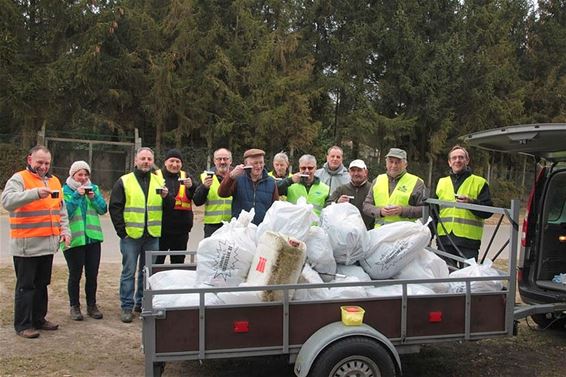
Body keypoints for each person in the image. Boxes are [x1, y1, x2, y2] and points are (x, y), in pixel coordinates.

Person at [1, 145, 71, 338]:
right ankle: (23, 325)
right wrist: (34, 193)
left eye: (47, 163)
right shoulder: (19, 179)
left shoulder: (55, 181)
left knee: (42, 284)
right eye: (40, 162)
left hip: (47, 245)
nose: (43, 166)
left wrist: (65, 231)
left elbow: (61, 210)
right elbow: (7, 201)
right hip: (26, 246)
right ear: (29, 159)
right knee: (26, 286)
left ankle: (39, 319)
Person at [109, 147, 172, 323]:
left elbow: (168, 207)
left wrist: (167, 197)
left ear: (152, 162)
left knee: (147, 272)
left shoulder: (159, 181)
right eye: (143, 158)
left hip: (152, 235)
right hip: (131, 236)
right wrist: (122, 231)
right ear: (136, 161)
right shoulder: (124, 181)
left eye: (149, 159)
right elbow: (115, 207)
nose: (146, 162)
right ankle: (127, 307)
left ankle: (142, 303)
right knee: (128, 272)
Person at [62, 161, 107, 321]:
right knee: (75, 275)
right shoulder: (65, 190)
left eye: (86, 174)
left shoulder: (93, 189)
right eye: (79, 174)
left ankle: (92, 305)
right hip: (74, 240)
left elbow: (103, 209)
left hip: (93, 239)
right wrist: (77, 196)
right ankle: (74, 306)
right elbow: (65, 211)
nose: (83, 178)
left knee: (92, 275)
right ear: (72, 175)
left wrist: (93, 198)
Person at [434, 145, 493, 265]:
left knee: (466, 281)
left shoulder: (479, 182)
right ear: (449, 162)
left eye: (461, 157)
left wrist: (471, 202)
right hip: (444, 240)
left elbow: (488, 211)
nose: (457, 160)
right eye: (454, 158)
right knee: (445, 279)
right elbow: (434, 212)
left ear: (467, 160)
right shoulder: (441, 182)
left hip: (468, 242)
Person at [363, 148, 426, 227]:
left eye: (398, 162)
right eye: (391, 161)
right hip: (380, 234)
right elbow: (366, 206)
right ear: (386, 163)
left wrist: (402, 210)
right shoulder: (377, 180)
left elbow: (425, 210)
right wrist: (380, 211)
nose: (394, 165)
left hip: (404, 234)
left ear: (405, 164)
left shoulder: (417, 182)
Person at [154, 149, 197, 264]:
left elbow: (197, 197)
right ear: (165, 162)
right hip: (160, 230)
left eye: (178, 161)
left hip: (181, 231)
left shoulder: (187, 177)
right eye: (171, 161)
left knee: (178, 266)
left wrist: (192, 186)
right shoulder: (155, 176)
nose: (174, 164)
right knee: (156, 264)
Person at [218, 148, 279, 225]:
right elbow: (222, 193)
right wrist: (231, 177)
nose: (259, 166)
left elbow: (275, 208)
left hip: (261, 229)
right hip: (240, 229)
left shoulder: (271, 182)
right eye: (255, 163)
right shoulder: (237, 178)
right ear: (246, 164)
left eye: (261, 163)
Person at [193, 148, 233, 238]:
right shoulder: (205, 177)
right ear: (214, 161)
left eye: (225, 159)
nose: (222, 162)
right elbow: (197, 201)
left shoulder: (237, 177)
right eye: (219, 159)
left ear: (230, 161)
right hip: (212, 226)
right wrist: (204, 187)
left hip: (232, 225)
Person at [327, 159, 374, 230]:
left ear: (366, 172)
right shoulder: (342, 189)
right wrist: (337, 202)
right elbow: (327, 206)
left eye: (359, 170)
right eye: (353, 171)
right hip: (345, 233)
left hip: (369, 232)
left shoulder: (373, 188)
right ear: (349, 172)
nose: (356, 174)